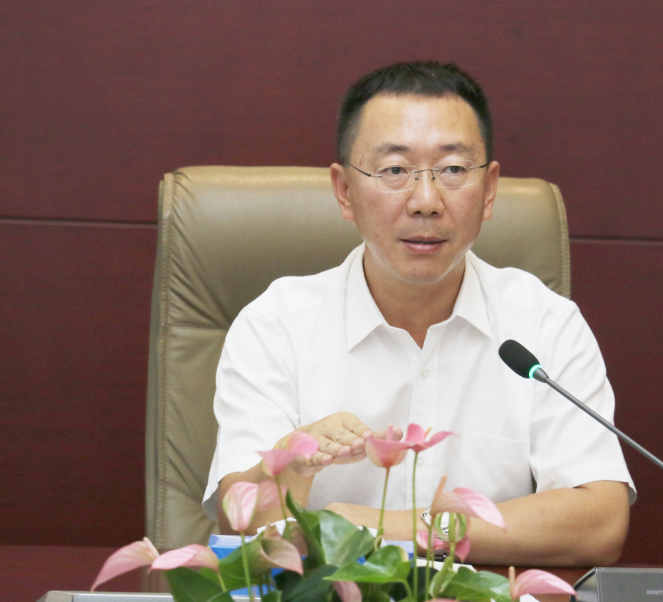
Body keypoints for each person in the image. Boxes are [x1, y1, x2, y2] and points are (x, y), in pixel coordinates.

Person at [203, 61, 634, 566]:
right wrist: (291, 465)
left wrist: (390, 529)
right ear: (344, 191)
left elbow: (600, 523)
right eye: (394, 171)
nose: (426, 201)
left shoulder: (544, 325)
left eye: (453, 170)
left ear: (489, 189)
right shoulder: (275, 326)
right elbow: (239, 525)